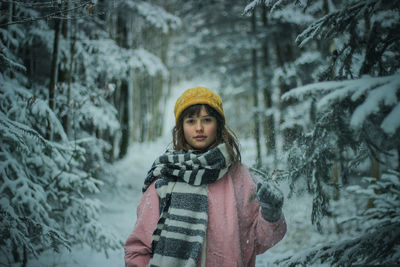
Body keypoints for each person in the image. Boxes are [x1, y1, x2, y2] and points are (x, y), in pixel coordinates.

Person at [124, 87, 287, 267]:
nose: (199, 128)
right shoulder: (165, 177)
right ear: (181, 127)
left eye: (207, 120)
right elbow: (138, 249)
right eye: (191, 121)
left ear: (217, 125)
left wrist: (271, 214)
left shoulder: (239, 177)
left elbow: (258, 242)